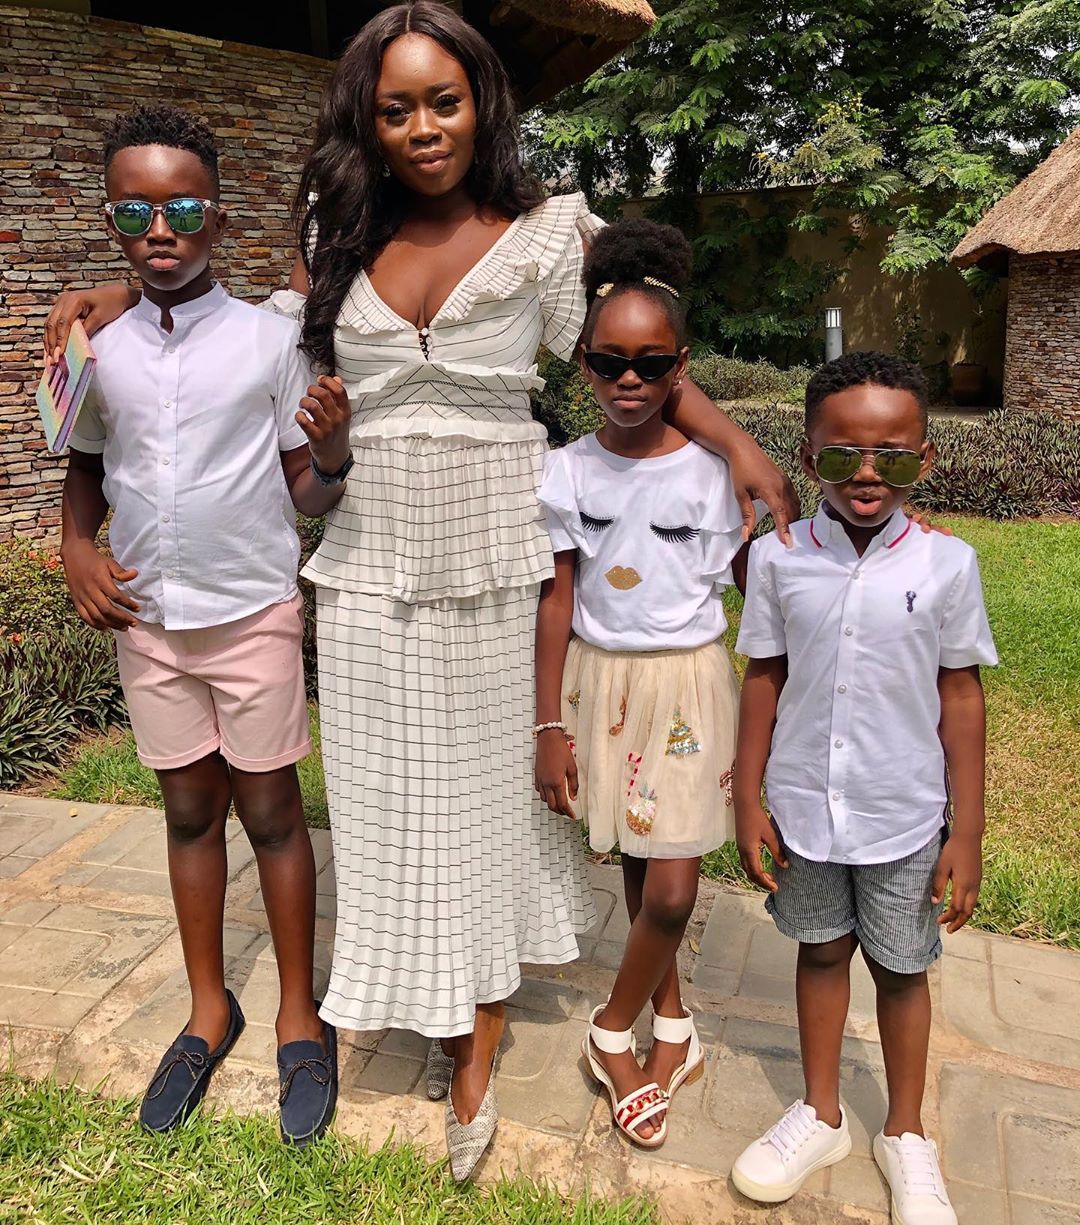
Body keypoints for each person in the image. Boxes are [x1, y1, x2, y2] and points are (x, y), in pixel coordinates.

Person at [44, 2, 799, 1181]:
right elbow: (239, 316)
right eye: (395, 109)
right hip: (369, 555)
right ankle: (420, 993)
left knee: (493, 796)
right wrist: (105, 300)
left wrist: (739, 444)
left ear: (481, 103)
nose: (423, 127)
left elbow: (630, 351)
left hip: (501, 548)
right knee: (392, 800)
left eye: (443, 101)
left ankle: (479, 1023)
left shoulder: (548, 234)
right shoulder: (337, 230)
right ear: (370, 121)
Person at [60, 104, 352, 1145]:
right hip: (148, 619)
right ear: (112, 219)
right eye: (134, 210)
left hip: (251, 613)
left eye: (183, 209)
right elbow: (86, 461)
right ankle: (206, 1008)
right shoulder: (99, 349)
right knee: (188, 811)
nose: (160, 229)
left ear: (218, 220)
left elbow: (304, 491)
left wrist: (334, 456)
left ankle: (297, 1014)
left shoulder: (272, 342)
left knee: (271, 812)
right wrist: (74, 545)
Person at [730, 352, 997, 1223]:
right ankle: (822, 1113)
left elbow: (961, 694)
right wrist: (748, 797)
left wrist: (967, 831)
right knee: (818, 950)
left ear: (926, 457)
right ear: (810, 458)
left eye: (894, 455)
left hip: (903, 811)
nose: (868, 473)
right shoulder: (778, 560)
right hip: (804, 805)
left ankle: (906, 1132)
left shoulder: (948, 564)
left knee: (902, 966)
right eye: (844, 455)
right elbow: (764, 676)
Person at [534, 219, 749, 1148]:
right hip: (600, 684)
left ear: (680, 368)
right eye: (608, 362)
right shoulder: (565, 471)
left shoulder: (714, 476)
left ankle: (611, 1027)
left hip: (689, 686)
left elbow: (765, 583)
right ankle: (673, 1022)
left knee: (669, 885)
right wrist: (549, 723)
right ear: (583, 363)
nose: (629, 379)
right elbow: (557, 600)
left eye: (652, 363)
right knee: (635, 850)